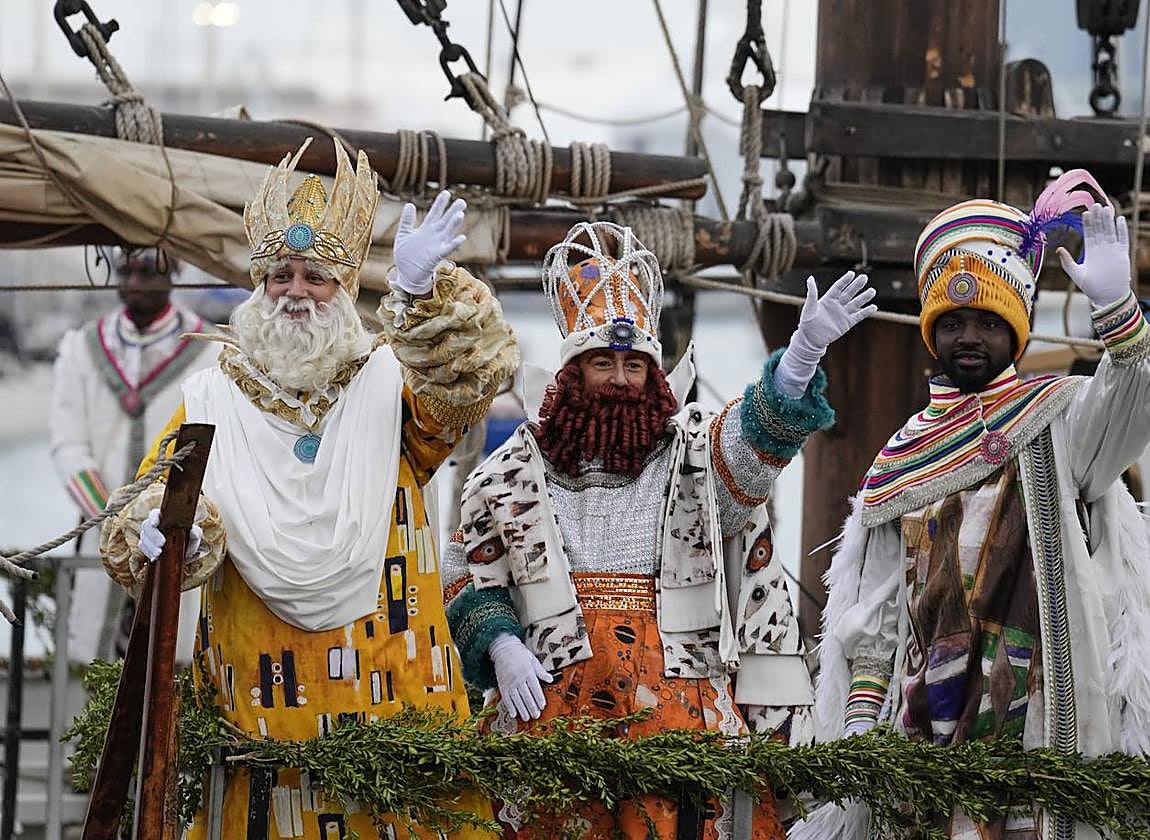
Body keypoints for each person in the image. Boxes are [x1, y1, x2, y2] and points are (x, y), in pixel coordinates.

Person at [98, 139, 518, 839]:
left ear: (346, 289)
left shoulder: (392, 384)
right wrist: (164, 528)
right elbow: (153, 499)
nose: (296, 291)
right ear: (260, 287)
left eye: (317, 276)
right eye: (281, 275)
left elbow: (467, 388)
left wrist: (417, 296)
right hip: (259, 738)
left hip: (400, 726)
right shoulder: (209, 395)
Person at [792, 170, 1150, 840]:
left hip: (1037, 718)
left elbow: (1142, 397)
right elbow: (876, 606)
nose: (969, 337)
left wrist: (1119, 313)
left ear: (1017, 330)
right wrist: (862, 721)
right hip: (923, 728)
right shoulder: (901, 455)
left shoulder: (1059, 420)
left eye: (987, 320)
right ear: (931, 333)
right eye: (952, 323)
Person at [441, 221, 876, 839]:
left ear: (653, 377)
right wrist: (503, 646)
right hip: (548, 706)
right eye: (602, 363)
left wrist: (798, 363)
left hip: (678, 702)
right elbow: (471, 574)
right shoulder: (509, 471)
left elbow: (747, 452)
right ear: (572, 374)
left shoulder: (690, 458)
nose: (620, 380)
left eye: (634, 366)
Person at [50, 248, 220, 663]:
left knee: (173, 660)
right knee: (98, 661)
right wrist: (111, 516)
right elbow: (67, 443)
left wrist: (172, 511)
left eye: (146, 270)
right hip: (101, 527)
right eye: (125, 270)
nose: (134, 281)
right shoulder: (82, 348)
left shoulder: (207, 351)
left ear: (172, 273)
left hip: (177, 527)